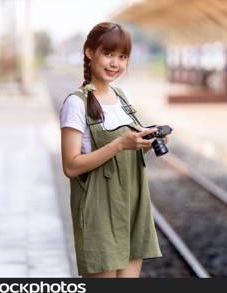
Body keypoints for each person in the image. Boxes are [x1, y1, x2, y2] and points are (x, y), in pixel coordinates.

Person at [59, 22, 169, 278]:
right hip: (99, 210)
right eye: (108, 54)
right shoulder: (76, 103)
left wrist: (146, 143)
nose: (115, 63)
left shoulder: (122, 96)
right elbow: (70, 166)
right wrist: (119, 143)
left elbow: (125, 153)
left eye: (122, 56)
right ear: (89, 52)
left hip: (132, 204)